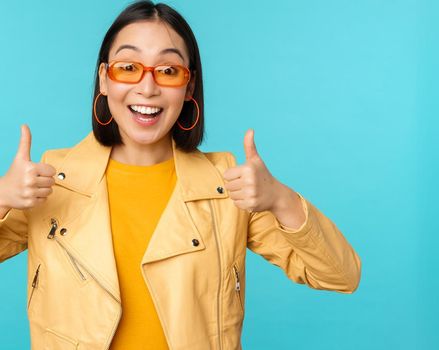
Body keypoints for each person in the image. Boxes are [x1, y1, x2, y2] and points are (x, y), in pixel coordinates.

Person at [0, 1, 361, 349]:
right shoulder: (51, 181)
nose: (147, 87)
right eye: (128, 67)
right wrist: (2, 195)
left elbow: (341, 276)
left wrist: (281, 199)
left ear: (189, 87)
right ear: (104, 80)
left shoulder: (227, 189)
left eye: (168, 71)